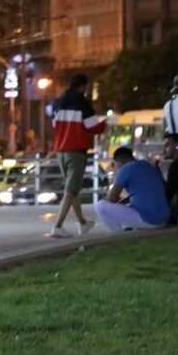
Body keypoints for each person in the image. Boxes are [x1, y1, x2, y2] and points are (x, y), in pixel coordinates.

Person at [48, 74, 106, 238]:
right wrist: (105, 124)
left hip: (61, 151)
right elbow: (93, 127)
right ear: (83, 86)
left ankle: (83, 223)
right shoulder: (83, 102)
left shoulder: (57, 102)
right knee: (71, 190)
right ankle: (57, 226)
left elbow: (54, 125)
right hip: (76, 152)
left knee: (72, 190)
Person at [94, 147, 170, 233]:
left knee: (100, 206)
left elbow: (112, 199)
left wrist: (107, 198)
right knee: (128, 205)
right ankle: (131, 229)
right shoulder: (147, 165)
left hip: (150, 220)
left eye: (115, 164)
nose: (116, 168)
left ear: (119, 161)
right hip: (164, 219)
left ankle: (118, 236)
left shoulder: (126, 168)